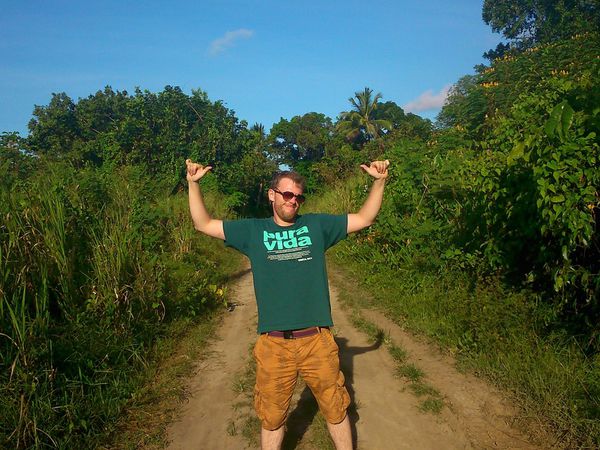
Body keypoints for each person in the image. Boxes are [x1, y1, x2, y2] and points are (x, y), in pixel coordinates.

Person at [186, 158, 389, 450]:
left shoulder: (317, 225)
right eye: (287, 194)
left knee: (335, 409)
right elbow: (202, 224)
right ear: (272, 195)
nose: (293, 201)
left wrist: (379, 181)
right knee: (272, 417)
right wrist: (193, 184)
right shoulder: (253, 231)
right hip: (273, 345)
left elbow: (364, 218)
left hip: (317, 341)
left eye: (298, 196)